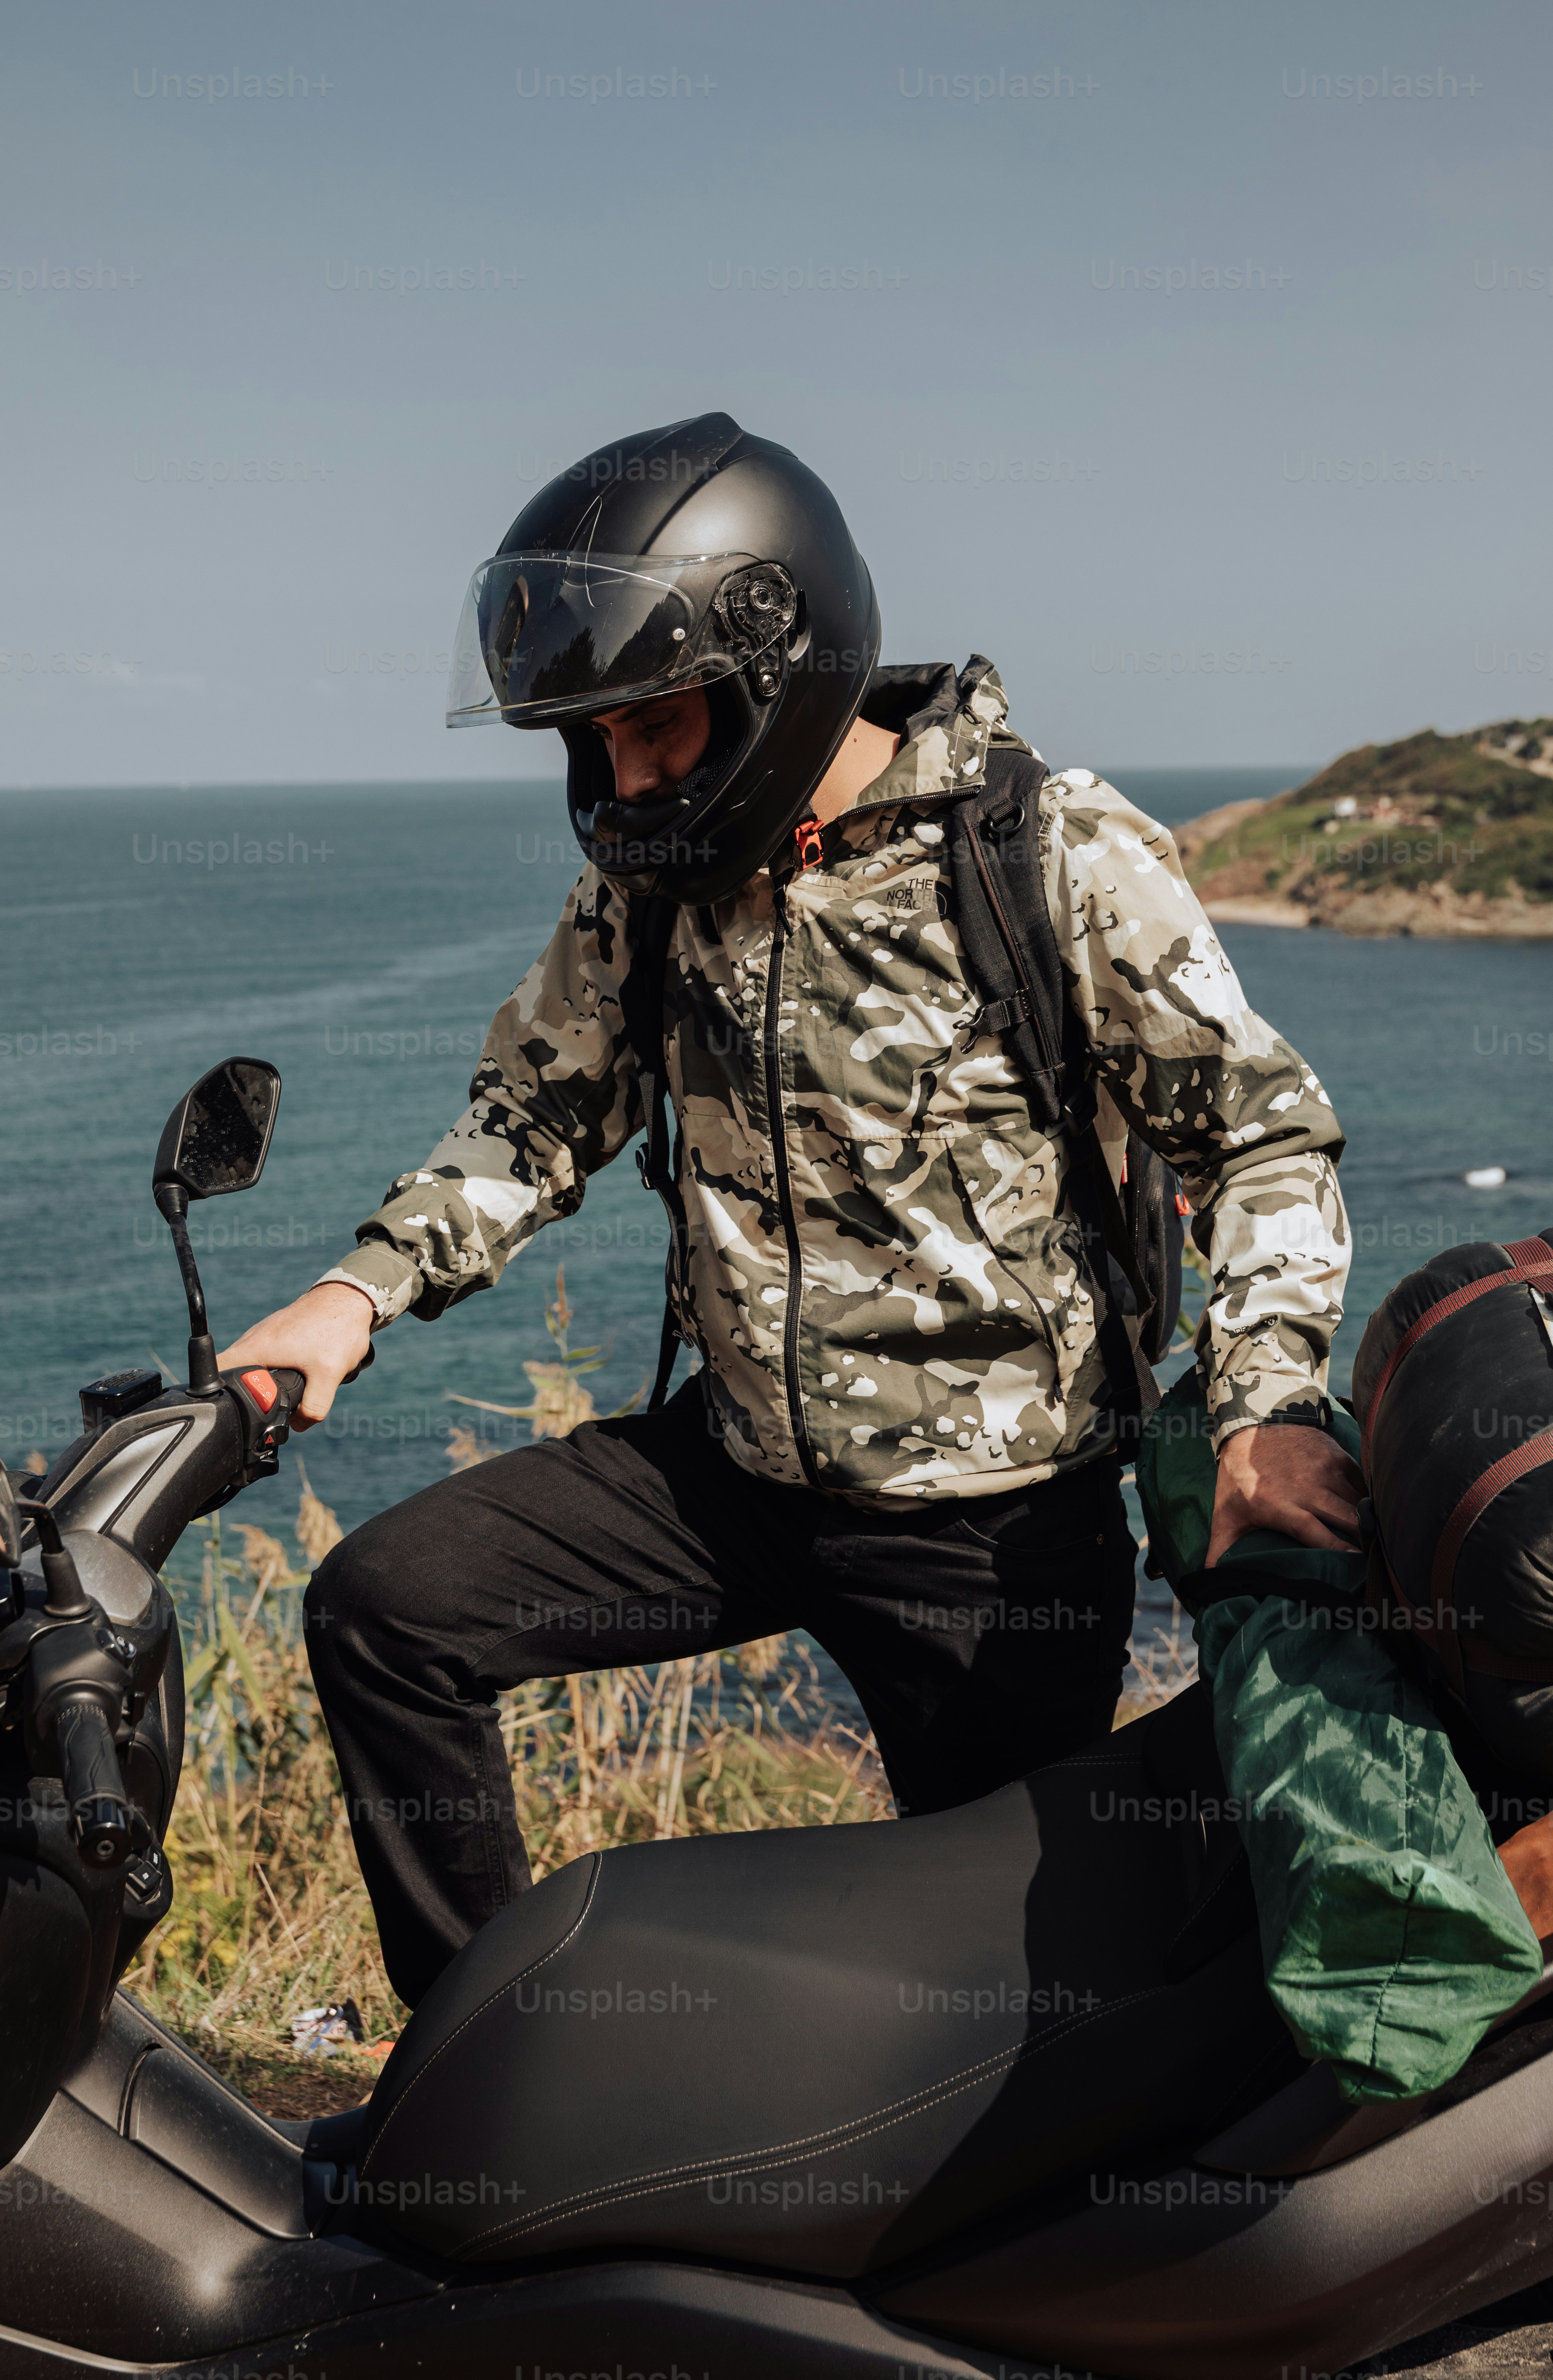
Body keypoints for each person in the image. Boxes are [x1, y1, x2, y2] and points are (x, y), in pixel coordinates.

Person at [220, 411, 1361, 2007]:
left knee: (1012, 2007)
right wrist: (352, 1297)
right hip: (735, 1467)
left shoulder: (1050, 852)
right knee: (389, 1614)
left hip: (993, 1526)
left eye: (656, 725)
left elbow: (1260, 1137)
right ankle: (480, 2076)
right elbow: (541, 1112)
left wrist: (1265, 1401)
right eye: (594, 738)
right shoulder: (653, 880)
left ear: (779, 663)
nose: (623, 774)